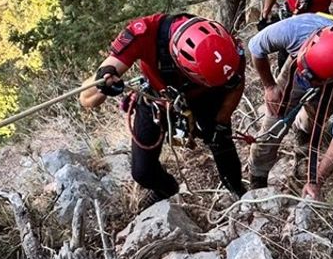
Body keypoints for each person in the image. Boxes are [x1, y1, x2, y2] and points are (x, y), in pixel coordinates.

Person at [80, 13, 248, 203]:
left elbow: (235, 85)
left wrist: (222, 120)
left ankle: (238, 191)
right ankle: (166, 188)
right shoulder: (143, 34)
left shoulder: (226, 46)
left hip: (204, 97)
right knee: (142, 172)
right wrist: (104, 82)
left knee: (221, 141)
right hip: (157, 99)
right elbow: (86, 98)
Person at [247, 13, 333, 199]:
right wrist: (269, 86)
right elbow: (256, 47)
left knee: (313, 122)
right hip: (297, 67)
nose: (308, 81)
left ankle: (303, 151)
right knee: (272, 127)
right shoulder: (296, 29)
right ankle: (257, 181)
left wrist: (316, 180)